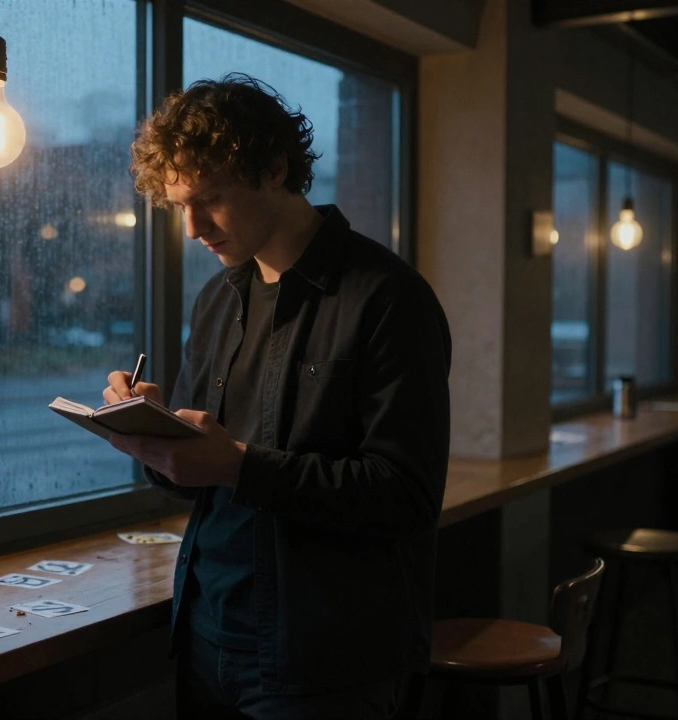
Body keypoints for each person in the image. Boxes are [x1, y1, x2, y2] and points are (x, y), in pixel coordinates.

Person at [102, 74, 452, 719]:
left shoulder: (387, 298)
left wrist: (238, 465)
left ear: (274, 169)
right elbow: (199, 478)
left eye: (209, 198)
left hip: (325, 656)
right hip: (207, 629)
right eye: (179, 204)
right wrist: (152, 436)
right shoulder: (217, 298)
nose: (193, 227)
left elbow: (407, 496)